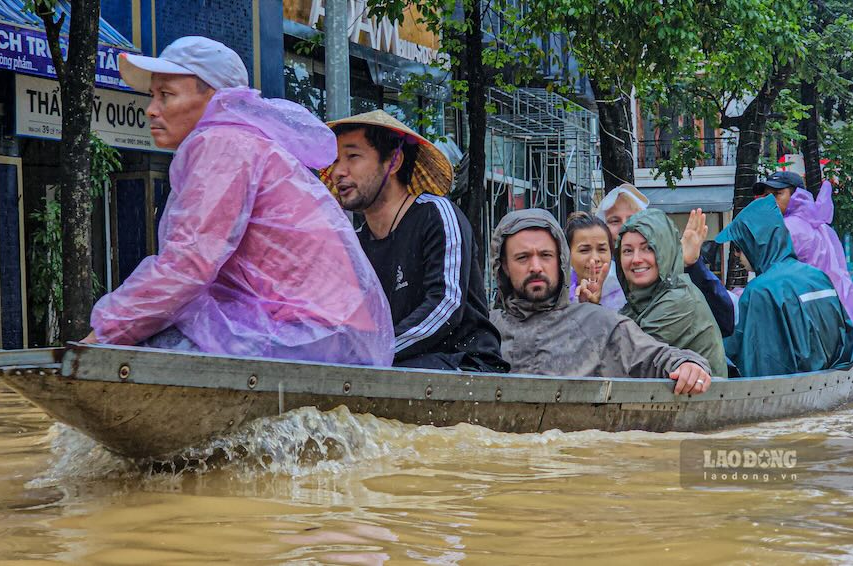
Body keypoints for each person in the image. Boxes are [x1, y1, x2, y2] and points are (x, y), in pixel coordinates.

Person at [84, 36, 394, 367]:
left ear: (215, 99)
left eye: (166, 95)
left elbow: (187, 266)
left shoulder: (224, 145)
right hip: (328, 335)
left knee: (131, 357)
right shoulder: (243, 143)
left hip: (306, 335)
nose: (152, 109)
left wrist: (102, 334)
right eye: (152, 96)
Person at [323, 110, 508, 372]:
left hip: (464, 365)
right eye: (335, 160)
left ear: (394, 161)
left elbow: (446, 304)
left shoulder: (436, 214)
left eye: (353, 156)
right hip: (391, 367)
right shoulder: (353, 244)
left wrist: (375, 352)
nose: (339, 171)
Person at [489, 209, 714, 395]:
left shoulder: (600, 323)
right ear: (505, 267)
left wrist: (688, 367)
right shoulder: (486, 328)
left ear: (560, 261)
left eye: (546, 255)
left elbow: (657, 357)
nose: (536, 266)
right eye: (522, 257)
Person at [716, 196, 853, 377]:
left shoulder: (760, 290)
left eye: (738, 247)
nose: (736, 256)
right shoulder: (818, 277)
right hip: (832, 374)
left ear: (752, 244)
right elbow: (847, 337)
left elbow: (756, 360)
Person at [596, 183, 735, 336]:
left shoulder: (672, 286)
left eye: (632, 218)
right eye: (614, 221)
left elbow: (724, 320)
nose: (625, 226)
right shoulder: (596, 278)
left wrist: (689, 265)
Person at [754, 172, 853, 339]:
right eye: (767, 195)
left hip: (814, 317)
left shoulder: (787, 228)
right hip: (843, 315)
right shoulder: (819, 225)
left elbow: (772, 279)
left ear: (796, 196)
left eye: (777, 194)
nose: (770, 201)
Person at [616, 209, 727, 377]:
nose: (636, 259)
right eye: (627, 251)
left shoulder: (679, 299)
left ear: (664, 252)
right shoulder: (643, 298)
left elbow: (624, 357)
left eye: (648, 248)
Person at [564, 212, 614, 305]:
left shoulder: (625, 293)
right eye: (584, 250)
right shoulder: (558, 299)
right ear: (567, 254)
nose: (594, 259)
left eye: (602, 249)